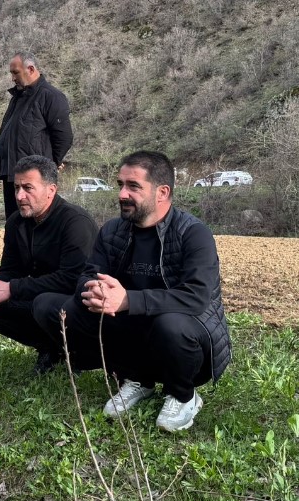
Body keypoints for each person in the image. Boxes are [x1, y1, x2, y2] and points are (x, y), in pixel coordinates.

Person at [33, 150, 231, 432]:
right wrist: (96, 289)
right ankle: (136, 378)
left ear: (162, 192)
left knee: (169, 324)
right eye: (120, 185)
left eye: (134, 186)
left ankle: (184, 395)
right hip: (133, 331)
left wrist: (128, 299)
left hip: (186, 338)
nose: (123, 194)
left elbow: (196, 296)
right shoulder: (113, 230)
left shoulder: (193, 233)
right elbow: (88, 274)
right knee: (55, 307)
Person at [0, 156, 96, 371]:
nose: (20, 196)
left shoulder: (75, 222)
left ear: (51, 190)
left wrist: (12, 288)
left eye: (28, 188)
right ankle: (50, 347)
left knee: (44, 304)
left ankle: (80, 353)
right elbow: (11, 268)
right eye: (17, 188)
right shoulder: (16, 222)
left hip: (79, 304)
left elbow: (73, 279)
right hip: (40, 295)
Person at [0, 52, 73, 220]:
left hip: (35, 180)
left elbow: (64, 137)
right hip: (13, 177)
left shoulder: (51, 96)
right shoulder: (17, 98)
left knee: (35, 226)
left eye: (15, 72)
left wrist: (50, 163)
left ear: (30, 69)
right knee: (15, 227)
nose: (13, 78)